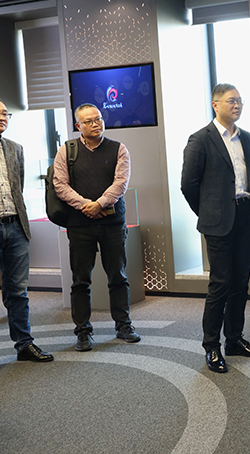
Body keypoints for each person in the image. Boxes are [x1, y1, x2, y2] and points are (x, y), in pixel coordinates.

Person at [181, 83, 250, 373]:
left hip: (244, 215)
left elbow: (245, 177)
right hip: (218, 221)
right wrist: (208, 212)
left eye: (240, 101)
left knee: (241, 282)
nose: (237, 105)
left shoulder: (246, 137)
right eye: (231, 101)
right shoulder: (200, 139)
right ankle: (211, 346)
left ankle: (234, 339)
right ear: (215, 104)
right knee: (220, 284)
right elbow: (188, 185)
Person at [0, 96, 53, 363]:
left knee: (18, 292)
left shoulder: (16, 148)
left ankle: (24, 344)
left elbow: (18, 187)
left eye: (5, 113)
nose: (2, 117)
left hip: (16, 227)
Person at [53, 103, 141, 351]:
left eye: (99, 119)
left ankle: (123, 325)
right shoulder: (66, 150)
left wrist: (100, 203)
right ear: (78, 125)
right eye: (89, 121)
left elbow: (121, 182)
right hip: (80, 225)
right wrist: (86, 205)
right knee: (81, 280)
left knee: (118, 276)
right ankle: (83, 331)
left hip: (112, 223)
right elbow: (60, 185)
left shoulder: (118, 148)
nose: (95, 124)